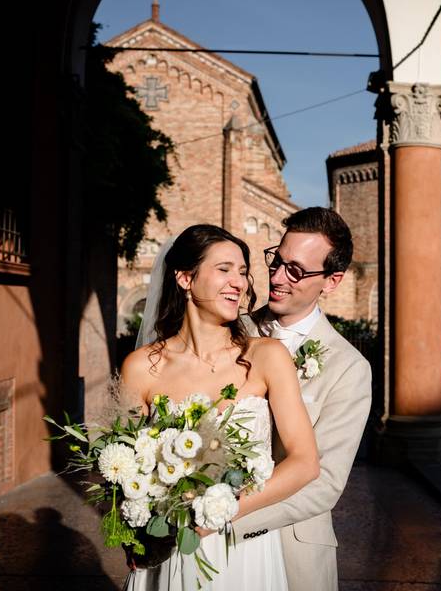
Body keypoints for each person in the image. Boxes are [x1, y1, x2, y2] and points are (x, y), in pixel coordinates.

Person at [119, 224, 319, 591]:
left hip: (241, 549)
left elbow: (305, 462)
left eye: (243, 272)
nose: (239, 283)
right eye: (224, 269)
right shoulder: (140, 368)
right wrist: (134, 529)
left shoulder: (267, 357)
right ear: (184, 278)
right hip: (167, 549)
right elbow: (123, 468)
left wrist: (220, 513)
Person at [234, 207, 372, 591]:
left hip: (290, 548)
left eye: (296, 270)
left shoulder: (348, 367)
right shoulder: (229, 332)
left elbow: (324, 483)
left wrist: (225, 518)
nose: (277, 277)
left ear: (332, 282)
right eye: (275, 261)